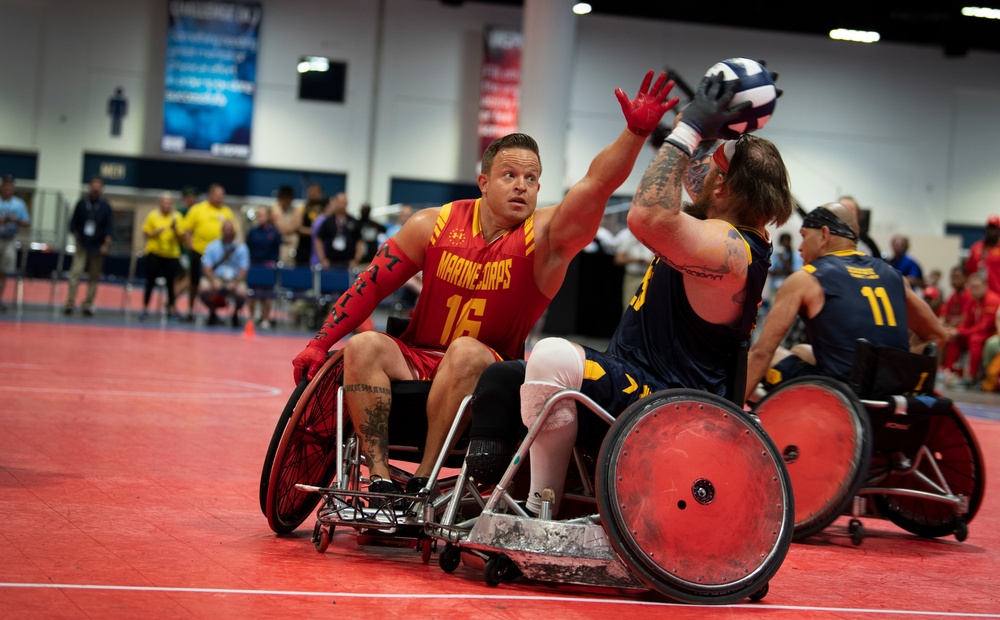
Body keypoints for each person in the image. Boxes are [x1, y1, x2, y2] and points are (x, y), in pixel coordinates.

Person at [290, 71, 681, 503]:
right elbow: (370, 284)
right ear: (483, 182)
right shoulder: (432, 223)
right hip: (420, 359)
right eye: (510, 175)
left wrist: (635, 132)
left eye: (532, 179)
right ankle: (380, 479)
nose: (522, 186)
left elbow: (597, 185)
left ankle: (421, 481)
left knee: (466, 350)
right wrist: (318, 342)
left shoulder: (546, 238)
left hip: (493, 374)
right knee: (362, 347)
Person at [468, 71, 796, 517]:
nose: (694, 161)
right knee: (503, 376)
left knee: (552, 357)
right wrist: (665, 129)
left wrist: (691, 126)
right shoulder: (719, 233)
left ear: (721, 187)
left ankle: (539, 510)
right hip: (639, 383)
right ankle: (480, 487)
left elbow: (646, 218)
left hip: (673, 405)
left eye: (709, 159)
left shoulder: (733, 249)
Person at [745, 203, 946, 402]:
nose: (800, 247)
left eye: (805, 236)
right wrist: (901, 366)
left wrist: (730, 413)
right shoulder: (895, 276)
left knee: (771, 357)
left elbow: (762, 352)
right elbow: (936, 335)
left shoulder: (807, 278)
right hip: (888, 394)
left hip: (840, 396)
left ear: (824, 235)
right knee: (801, 351)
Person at [182, 183, 237, 322]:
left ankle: (213, 311)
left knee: (218, 283)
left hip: (219, 256)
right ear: (210, 195)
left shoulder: (226, 211)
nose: (221, 197)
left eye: (222, 195)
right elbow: (186, 230)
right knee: (194, 282)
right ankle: (190, 309)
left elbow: (233, 231)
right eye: (218, 195)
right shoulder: (198, 209)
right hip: (199, 251)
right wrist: (191, 247)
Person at [64, 176, 114, 317]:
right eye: (94, 185)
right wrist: (76, 236)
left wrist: (106, 244)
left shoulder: (105, 206)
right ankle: (69, 302)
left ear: (102, 188)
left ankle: (88, 303)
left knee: (94, 276)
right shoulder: (81, 203)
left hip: (97, 246)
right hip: (82, 244)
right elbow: (73, 223)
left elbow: (109, 228)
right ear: (89, 186)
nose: (96, 188)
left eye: (99, 185)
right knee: (75, 272)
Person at [941, 272, 999, 386]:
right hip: (976, 332)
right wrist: (957, 331)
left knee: (974, 339)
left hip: (990, 333)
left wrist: (961, 332)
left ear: (985, 286)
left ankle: (971, 376)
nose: (973, 290)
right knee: (954, 338)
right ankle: (948, 371)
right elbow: (966, 321)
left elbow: (984, 326)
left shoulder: (992, 300)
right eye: (971, 287)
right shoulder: (973, 300)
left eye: (977, 287)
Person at [139, 191, 185, 320]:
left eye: (169, 203)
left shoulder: (177, 217)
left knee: (171, 284)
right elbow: (145, 234)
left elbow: (182, 238)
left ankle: (170, 310)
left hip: (171, 255)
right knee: (150, 281)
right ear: (160, 203)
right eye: (164, 202)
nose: (167, 205)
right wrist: (155, 232)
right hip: (155, 253)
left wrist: (175, 230)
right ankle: (145, 309)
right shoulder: (153, 216)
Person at [198, 219, 250, 327]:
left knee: (242, 292)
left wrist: (235, 283)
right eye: (226, 229)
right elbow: (207, 268)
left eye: (230, 229)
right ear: (221, 231)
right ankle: (213, 312)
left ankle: (235, 314)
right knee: (203, 288)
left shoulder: (242, 248)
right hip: (216, 277)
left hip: (234, 279)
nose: (228, 232)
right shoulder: (212, 246)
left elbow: (243, 269)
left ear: (234, 232)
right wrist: (213, 280)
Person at [245, 206, 283, 328]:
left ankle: (266, 318)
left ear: (268, 217)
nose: (259, 217)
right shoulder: (253, 232)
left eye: (262, 215)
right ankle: (251, 317)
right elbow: (248, 247)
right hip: (255, 265)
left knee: (267, 293)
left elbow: (276, 250)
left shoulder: (274, 233)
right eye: (258, 215)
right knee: (253, 293)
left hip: (268, 266)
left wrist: (273, 263)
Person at [0, 174, 30, 312]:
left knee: (3, 271)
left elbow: (26, 222)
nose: (8, 188)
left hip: (10, 239)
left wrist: (15, 220)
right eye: (5, 185)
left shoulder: (19, 204)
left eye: (10, 186)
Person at [315, 192, 363, 270]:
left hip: (348, 263)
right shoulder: (328, 221)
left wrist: (356, 260)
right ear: (335, 203)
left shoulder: (354, 222)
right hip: (330, 262)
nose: (342, 205)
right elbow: (319, 240)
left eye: (344, 202)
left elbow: (359, 242)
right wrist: (323, 259)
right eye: (340, 202)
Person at [612, 227, 654, 313]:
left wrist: (648, 262)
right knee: (628, 306)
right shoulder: (628, 238)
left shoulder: (653, 238)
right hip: (632, 277)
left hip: (649, 278)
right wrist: (635, 260)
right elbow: (618, 259)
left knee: (648, 308)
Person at [964, 214, 1000, 296]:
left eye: (994, 228)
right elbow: (969, 272)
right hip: (977, 296)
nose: (992, 231)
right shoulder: (976, 248)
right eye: (990, 228)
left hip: (997, 295)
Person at [294, 184, 324, 268]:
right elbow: (298, 227)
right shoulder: (302, 209)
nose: (312, 194)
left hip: (321, 251)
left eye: (315, 192)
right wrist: (316, 232)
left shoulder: (325, 210)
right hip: (304, 249)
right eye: (310, 192)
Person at [767, 231, 801, 302]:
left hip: (789, 288)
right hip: (775, 288)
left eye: (786, 241)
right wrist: (784, 272)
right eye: (783, 241)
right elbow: (770, 271)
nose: (785, 243)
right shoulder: (774, 255)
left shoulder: (795, 256)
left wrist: (782, 260)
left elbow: (794, 272)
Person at [270, 184, 299, 267]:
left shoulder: (294, 210)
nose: (288, 201)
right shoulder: (275, 210)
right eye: (286, 199)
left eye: (290, 199)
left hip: (291, 247)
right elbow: (281, 230)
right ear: (281, 198)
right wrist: (291, 228)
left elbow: (296, 225)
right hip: (279, 246)